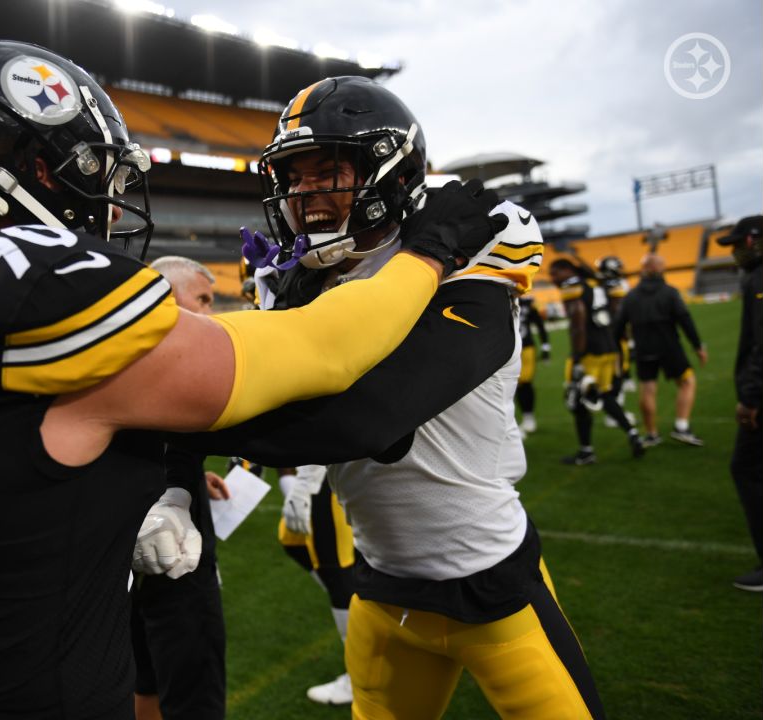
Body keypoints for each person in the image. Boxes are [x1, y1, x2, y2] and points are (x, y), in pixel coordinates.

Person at [0, 42, 508, 720]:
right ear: (38, 167)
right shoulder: (35, 282)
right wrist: (429, 251)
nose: (105, 195)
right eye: (90, 168)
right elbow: (320, 352)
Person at [181, 76, 605, 719]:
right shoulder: (298, 284)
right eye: (294, 177)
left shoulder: (468, 267)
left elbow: (366, 419)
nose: (304, 192)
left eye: (327, 171)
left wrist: (170, 421)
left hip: (490, 584)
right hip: (381, 590)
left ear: (390, 171)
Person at [130, 256, 229, 720]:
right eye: (204, 300)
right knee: (192, 691)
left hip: (123, 554)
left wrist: (190, 477)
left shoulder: (117, 353)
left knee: (142, 673)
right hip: (174, 560)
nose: (211, 313)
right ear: (167, 298)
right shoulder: (181, 363)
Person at [550, 258, 646, 465]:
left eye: (555, 273)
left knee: (576, 401)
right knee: (605, 395)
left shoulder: (573, 287)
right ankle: (633, 434)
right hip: (610, 349)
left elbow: (578, 325)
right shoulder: (600, 285)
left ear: (568, 270)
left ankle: (586, 452)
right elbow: (617, 316)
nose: (552, 279)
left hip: (589, 353)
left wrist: (577, 358)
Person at [275, 464, 357, 705]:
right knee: (294, 542)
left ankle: (360, 677)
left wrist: (303, 485)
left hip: (325, 472)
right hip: (314, 473)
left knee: (336, 572)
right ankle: (369, 616)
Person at [612, 254, 708, 446]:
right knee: (687, 382)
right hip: (669, 346)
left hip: (643, 349)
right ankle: (681, 427)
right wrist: (697, 346)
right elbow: (685, 320)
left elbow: (618, 327)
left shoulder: (630, 296)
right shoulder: (670, 292)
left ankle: (651, 434)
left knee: (647, 389)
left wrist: (617, 352)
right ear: (660, 268)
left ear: (643, 270)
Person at [716, 215, 762, 591]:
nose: (733, 252)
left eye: (736, 244)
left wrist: (751, 396)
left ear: (753, 240)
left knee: (745, 468)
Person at [595, 256, 637, 429]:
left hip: (603, 336)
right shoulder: (615, 288)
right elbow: (622, 314)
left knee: (613, 377)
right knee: (615, 377)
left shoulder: (597, 287)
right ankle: (615, 414)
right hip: (614, 337)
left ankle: (616, 411)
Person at [515, 293, 550, 434]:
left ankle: (528, 417)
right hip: (506, 347)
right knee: (509, 384)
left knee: (525, 382)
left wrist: (546, 347)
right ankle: (511, 421)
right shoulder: (501, 296)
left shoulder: (528, 303)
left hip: (526, 347)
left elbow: (540, 325)